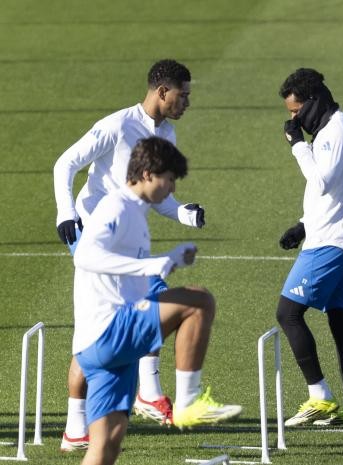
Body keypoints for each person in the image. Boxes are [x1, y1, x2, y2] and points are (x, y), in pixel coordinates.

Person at [52, 59, 205, 450]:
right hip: (93, 235)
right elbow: (65, 163)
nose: (187, 103)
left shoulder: (166, 133)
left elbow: (158, 197)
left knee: (100, 328)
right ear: (162, 92)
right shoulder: (117, 126)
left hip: (129, 237)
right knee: (146, 301)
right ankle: (148, 394)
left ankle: (75, 429)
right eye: (183, 96)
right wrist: (65, 212)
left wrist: (184, 213)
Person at [72, 137, 240, 465]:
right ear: (147, 174)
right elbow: (85, 256)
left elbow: (126, 269)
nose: (172, 188)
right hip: (108, 330)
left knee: (106, 446)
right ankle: (188, 402)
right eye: (170, 179)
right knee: (199, 301)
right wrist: (150, 266)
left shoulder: (136, 211)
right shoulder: (117, 206)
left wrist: (171, 258)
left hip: (98, 348)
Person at [275, 68, 343, 427]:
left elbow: (322, 181)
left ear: (314, 101)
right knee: (341, 323)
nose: (294, 120)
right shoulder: (334, 129)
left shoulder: (337, 131)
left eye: (296, 111)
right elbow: (333, 191)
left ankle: (320, 395)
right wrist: (303, 225)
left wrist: (297, 145)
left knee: (288, 313)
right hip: (340, 238)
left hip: (332, 242)